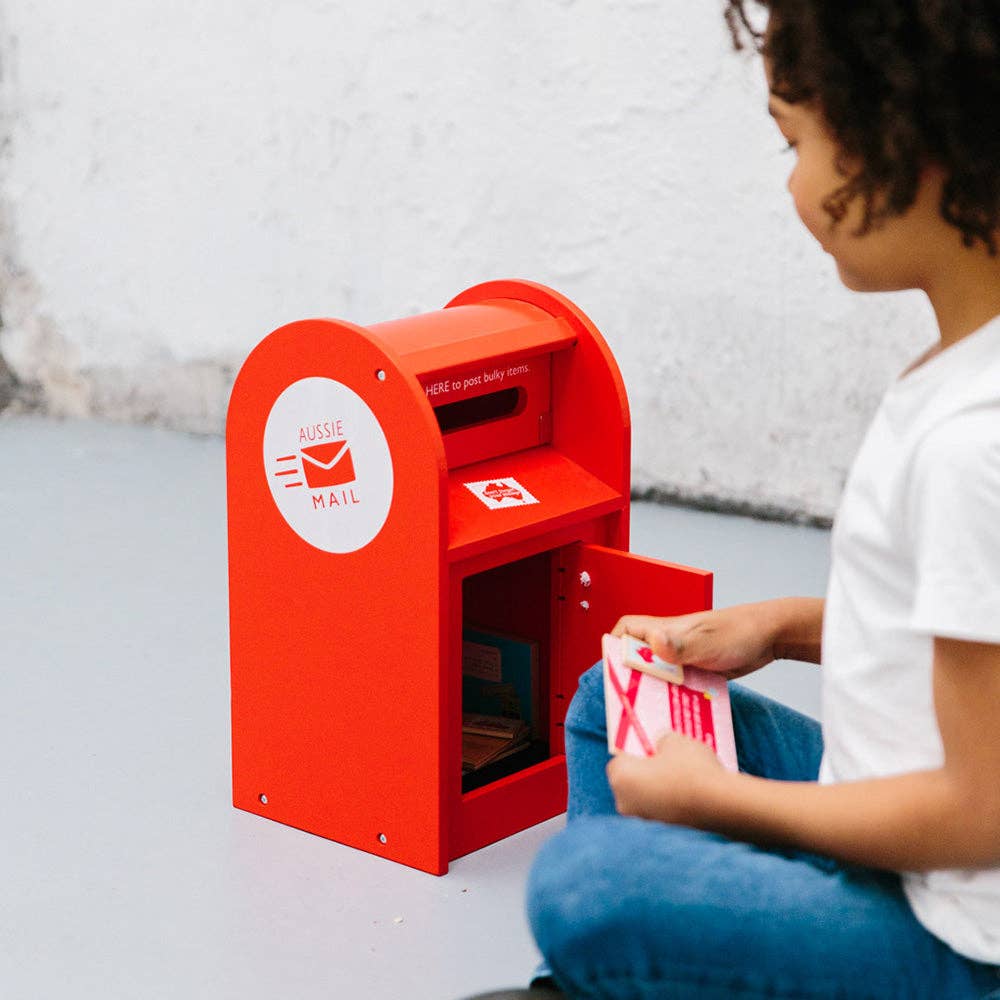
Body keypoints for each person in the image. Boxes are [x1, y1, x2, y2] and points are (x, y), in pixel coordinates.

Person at [521, 3, 1000, 998]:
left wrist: (729, 803)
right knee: (606, 706)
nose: (790, 183)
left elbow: (982, 807)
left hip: (952, 939)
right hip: (906, 838)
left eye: (796, 144)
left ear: (903, 149)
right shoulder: (965, 377)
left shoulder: (971, 443)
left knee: (583, 884)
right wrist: (782, 629)